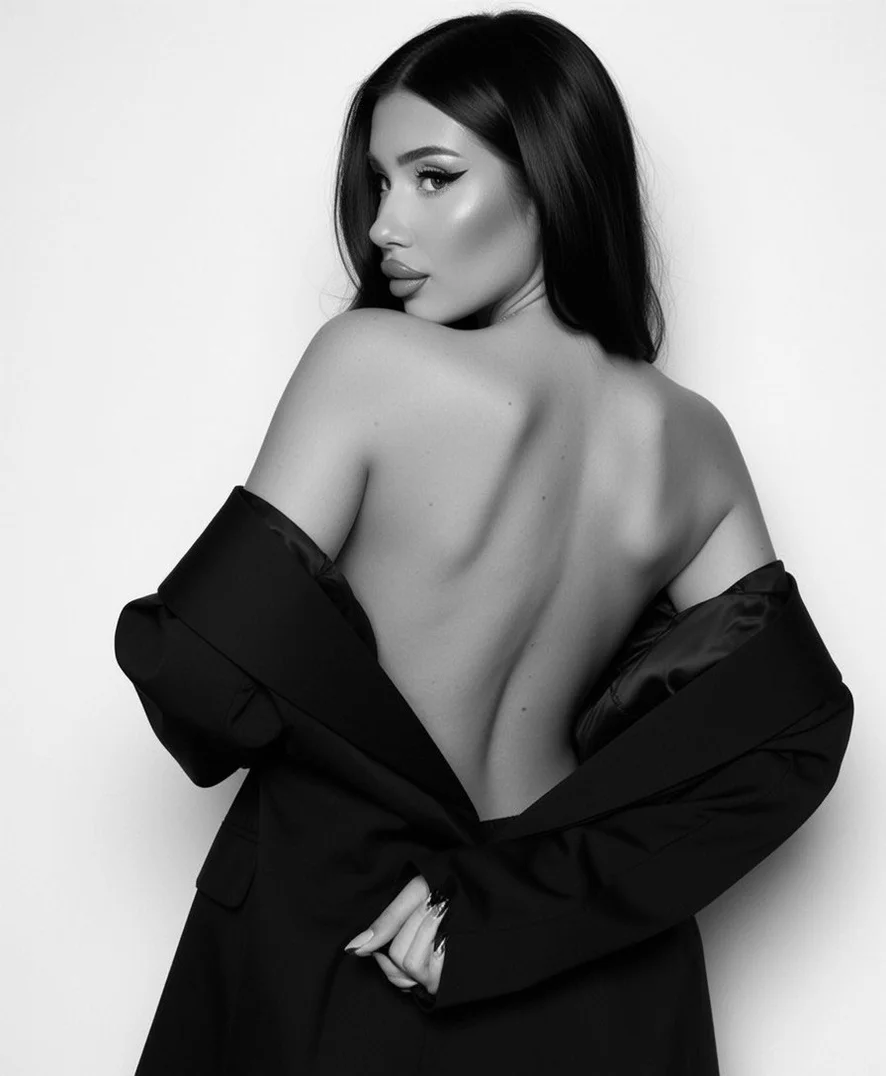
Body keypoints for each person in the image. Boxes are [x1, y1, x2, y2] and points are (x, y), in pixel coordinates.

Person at [114, 11, 852, 1074]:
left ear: (548, 179)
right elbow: (790, 736)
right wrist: (517, 901)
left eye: (432, 177)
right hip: (575, 953)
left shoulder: (367, 363)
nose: (383, 226)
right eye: (378, 184)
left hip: (344, 926)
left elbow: (198, 683)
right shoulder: (694, 441)